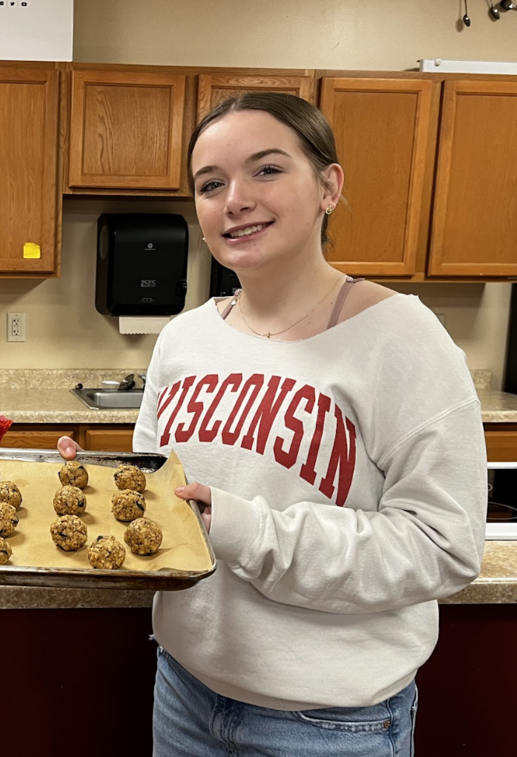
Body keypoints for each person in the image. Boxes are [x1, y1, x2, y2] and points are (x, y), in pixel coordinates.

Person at [59, 92, 486, 756]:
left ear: (328, 186)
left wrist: (242, 529)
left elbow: (445, 544)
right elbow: (159, 499)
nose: (234, 198)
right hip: (183, 692)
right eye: (210, 183)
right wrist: (98, 495)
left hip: (330, 724)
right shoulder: (184, 339)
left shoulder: (401, 339)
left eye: (266, 170)